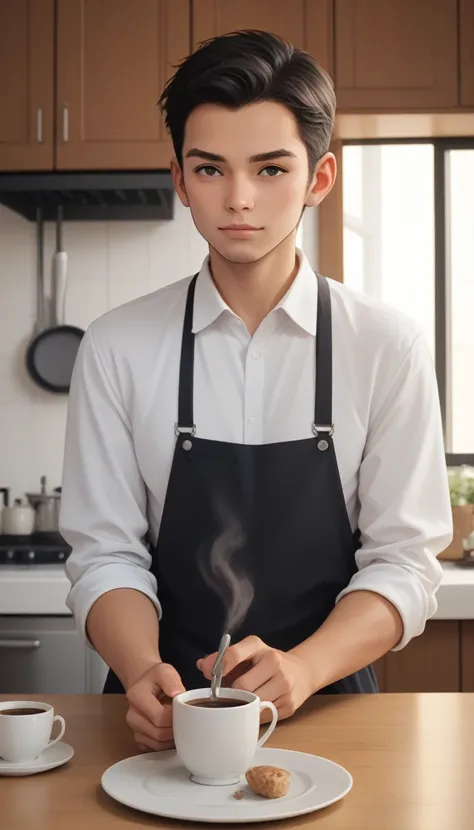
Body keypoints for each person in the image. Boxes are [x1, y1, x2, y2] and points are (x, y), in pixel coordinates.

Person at [60, 30, 453, 753]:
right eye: (211, 169)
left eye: (271, 170)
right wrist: (142, 667)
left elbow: (403, 561)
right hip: (160, 720)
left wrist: (303, 669)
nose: (239, 199)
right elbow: (105, 552)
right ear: (180, 180)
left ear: (319, 179)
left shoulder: (387, 344)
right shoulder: (116, 345)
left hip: (332, 709)